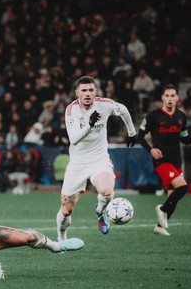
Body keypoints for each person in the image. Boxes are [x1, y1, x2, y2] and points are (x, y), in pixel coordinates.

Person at [55, 76, 137, 240]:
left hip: (99, 160)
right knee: (66, 210)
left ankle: (100, 212)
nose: (87, 94)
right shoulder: (72, 110)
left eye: (90, 90)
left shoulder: (104, 104)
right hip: (78, 163)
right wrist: (89, 124)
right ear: (77, 92)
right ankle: (61, 237)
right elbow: (74, 139)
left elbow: (123, 110)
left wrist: (132, 132)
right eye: (84, 90)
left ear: (95, 92)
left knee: (107, 191)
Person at [137, 84, 191, 236]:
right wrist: (151, 150)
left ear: (177, 98)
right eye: (167, 96)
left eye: (173, 95)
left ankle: (160, 227)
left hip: (176, 160)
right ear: (162, 98)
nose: (170, 99)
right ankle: (162, 209)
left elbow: (184, 138)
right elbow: (140, 137)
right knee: (183, 187)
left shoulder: (181, 116)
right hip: (162, 161)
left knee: (173, 196)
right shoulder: (153, 116)